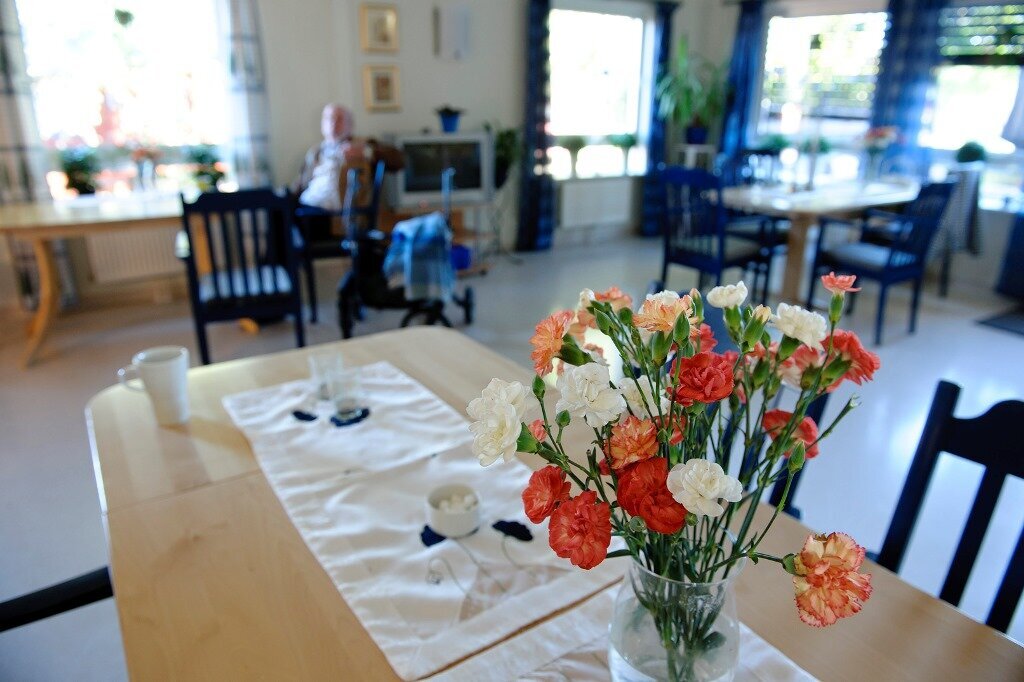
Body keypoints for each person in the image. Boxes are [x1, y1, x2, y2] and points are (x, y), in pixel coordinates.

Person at [294, 104, 403, 212]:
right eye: (329, 118)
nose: (333, 122)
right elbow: (299, 187)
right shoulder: (315, 152)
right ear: (322, 125)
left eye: (339, 119)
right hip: (308, 206)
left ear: (350, 125)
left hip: (343, 214)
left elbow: (399, 159)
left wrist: (365, 152)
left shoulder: (363, 144)